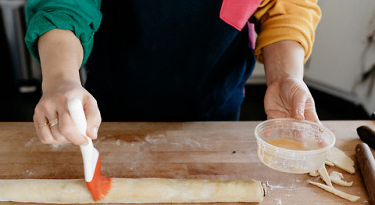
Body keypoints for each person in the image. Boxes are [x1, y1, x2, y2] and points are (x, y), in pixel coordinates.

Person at [24, 0, 321, 146]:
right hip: (109, 107)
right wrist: (61, 78)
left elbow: (286, 7)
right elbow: (65, 5)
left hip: (216, 106)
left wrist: (284, 76)